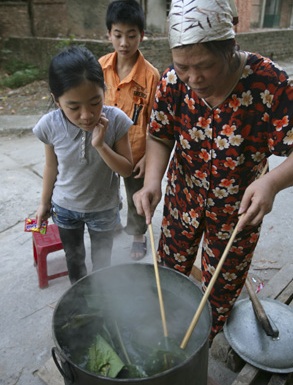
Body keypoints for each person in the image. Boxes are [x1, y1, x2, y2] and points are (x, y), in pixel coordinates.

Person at [133, 0, 293, 340]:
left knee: (220, 288)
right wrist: (151, 183)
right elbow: (160, 135)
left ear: (231, 47)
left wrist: (272, 183)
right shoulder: (172, 82)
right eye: (183, 66)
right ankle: (165, 335)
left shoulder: (270, 84)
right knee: (168, 274)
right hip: (183, 199)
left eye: (204, 66)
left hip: (239, 212)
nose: (193, 78)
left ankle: (200, 345)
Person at [34, 45, 133, 284]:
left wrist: (100, 145)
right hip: (65, 208)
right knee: (74, 260)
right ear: (57, 100)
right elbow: (51, 167)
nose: (87, 115)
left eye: (94, 102)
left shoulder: (117, 120)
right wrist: (44, 203)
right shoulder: (50, 125)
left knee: (102, 264)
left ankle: (101, 300)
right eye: (74, 107)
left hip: (103, 209)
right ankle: (79, 301)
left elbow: (127, 169)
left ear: (103, 91)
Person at [99, 0, 160, 260]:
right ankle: (112, 219)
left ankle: (137, 235)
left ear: (142, 36)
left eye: (131, 35)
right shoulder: (99, 68)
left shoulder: (151, 76)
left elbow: (157, 122)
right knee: (103, 189)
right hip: (104, 147)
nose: (124, 42)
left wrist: (149, 156)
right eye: (118, 35)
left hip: (135, 153)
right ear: (108, 34)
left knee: (137, 193)